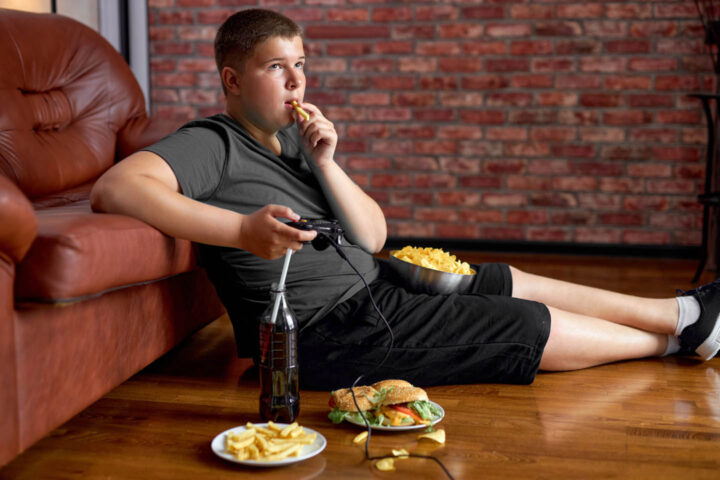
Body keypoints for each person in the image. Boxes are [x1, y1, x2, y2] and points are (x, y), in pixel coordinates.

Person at [90, 8, 720, 390]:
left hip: (375, 283)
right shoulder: (213, 143)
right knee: (522, 327)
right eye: (277, 67)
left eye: (301, 64)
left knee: (502, 280)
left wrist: (327, 163)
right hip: (323, 333)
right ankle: (676, 341)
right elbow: (116, 187)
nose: (297, 80)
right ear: (232, 80)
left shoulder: (295, 140)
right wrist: (241, 232)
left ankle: (677, 314)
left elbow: (372, 238)